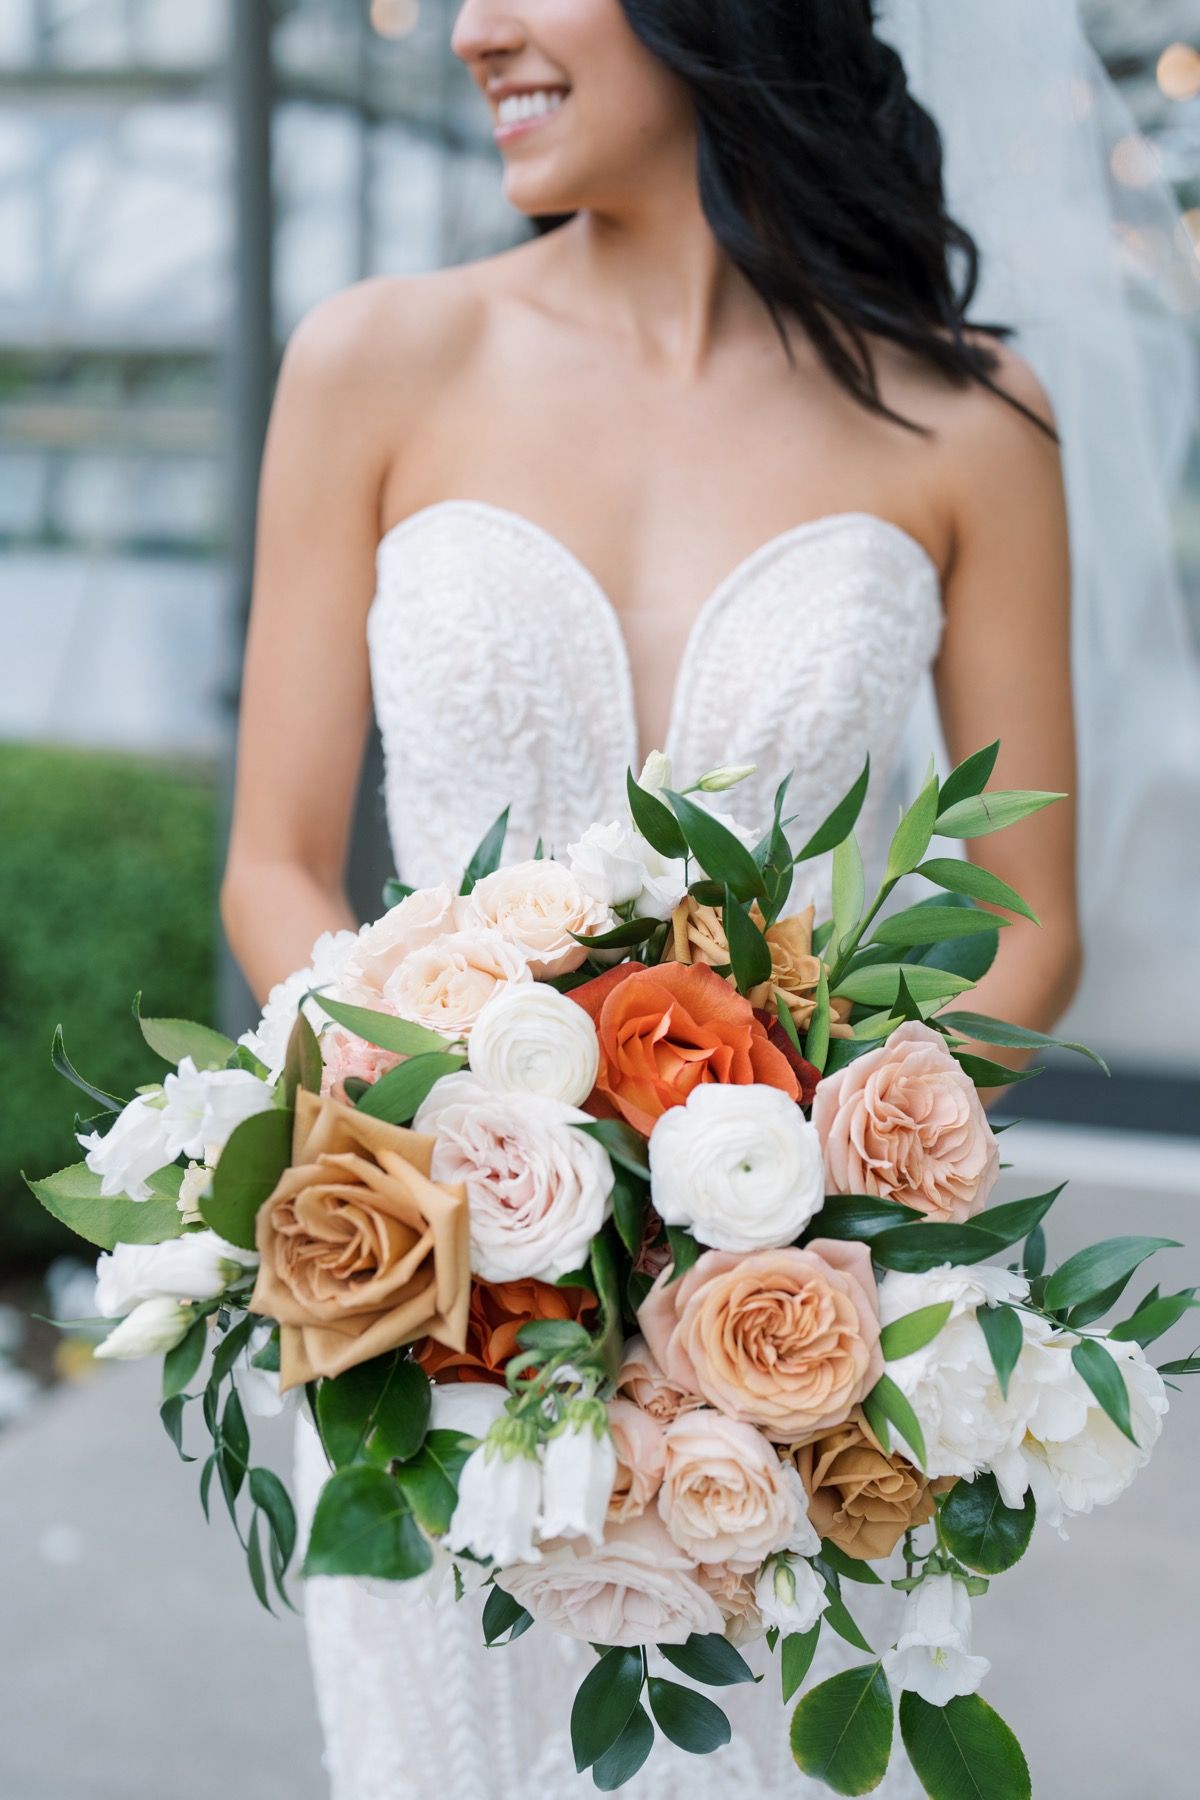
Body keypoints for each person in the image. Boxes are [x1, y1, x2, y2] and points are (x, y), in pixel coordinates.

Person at [220, 3, 1082, 1793]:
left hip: (788, 1369)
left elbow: (1031, 915)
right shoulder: (377, 360)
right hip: (441, 1326)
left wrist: (778, 1213)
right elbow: (279, 861)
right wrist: (432, 1161)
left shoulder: (969, 411)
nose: (471, 28)